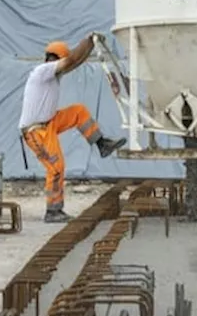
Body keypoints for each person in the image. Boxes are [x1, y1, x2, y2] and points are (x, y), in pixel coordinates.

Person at [19, 36, 126, 222]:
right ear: (58, 59)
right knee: (56, 167)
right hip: (35, 131)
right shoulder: (43, 71)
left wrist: (90, 47)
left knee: (78, 111)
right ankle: (53, 211)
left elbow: (74, 62)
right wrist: (89, 40)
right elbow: (71, 60)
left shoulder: (51, 74)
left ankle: (102, 144)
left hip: (49, 122)